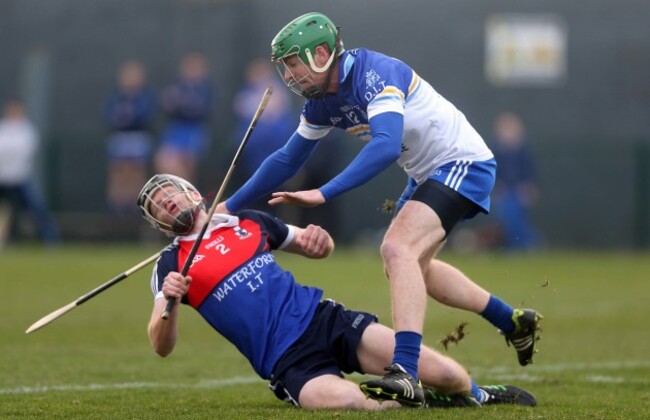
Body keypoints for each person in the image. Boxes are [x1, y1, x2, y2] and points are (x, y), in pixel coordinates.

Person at [215, 12, 543, 406]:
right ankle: (512, 320)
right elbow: (287, 160)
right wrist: (229, 207)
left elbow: (386, 145)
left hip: (462, 163)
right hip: (426, 174)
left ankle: (404, 370)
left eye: (293, 63)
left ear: (321, 53)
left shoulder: (374, 72)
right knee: (412, 267)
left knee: (396, 248)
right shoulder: (321, 103)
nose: (290, 76)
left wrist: (326, 192)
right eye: (284, 67)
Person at [137, 173, 537, 409]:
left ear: (193, 192)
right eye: (159, 207)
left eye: (169, 195)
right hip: (288, 363)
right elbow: (161, 344)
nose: (167, 205)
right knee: (354, 404)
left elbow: (317, 248)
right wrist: (170, 302)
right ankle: (422, 402)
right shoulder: (170, 265)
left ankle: (478, 397)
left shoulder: (247, 222)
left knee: (448, 374)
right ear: (159, 223)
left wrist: (319, 240)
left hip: (327, 321)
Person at [0, 99, 60, 246]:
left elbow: (25, 150)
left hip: (20, 179)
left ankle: (51, 240)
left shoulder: (27, 130)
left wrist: (8, 151)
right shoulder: (3, 128)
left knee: (38, 208)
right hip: (3, 178)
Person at [103, 59, 157, 214]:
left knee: (136, 172)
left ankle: (136, 207)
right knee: (119, 172)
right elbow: (109, 115)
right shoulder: (117, 97)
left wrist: (129, 117)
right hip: (120, 137)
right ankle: (116, 207)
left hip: (138, 137)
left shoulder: (145, 96)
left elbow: (145, 116)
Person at [154, 52, 213, 184]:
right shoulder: (177, 86)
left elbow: (198, 110)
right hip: (176, 129)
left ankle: (188, 200)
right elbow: (167, 105)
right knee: (165, 163)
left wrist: (182, 103)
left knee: (186, 168)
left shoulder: (204, 89)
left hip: (193, 130)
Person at [490, 111, 541, 251]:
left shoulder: (523, 152)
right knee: (505, 218)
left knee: (519, 219)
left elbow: (529, 173)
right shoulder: (496, 152)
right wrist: (496, 187)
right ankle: (510, 246)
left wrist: (528, 189)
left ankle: (526, 244)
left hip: (518, 191)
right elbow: (495, 173)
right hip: (504, 192)